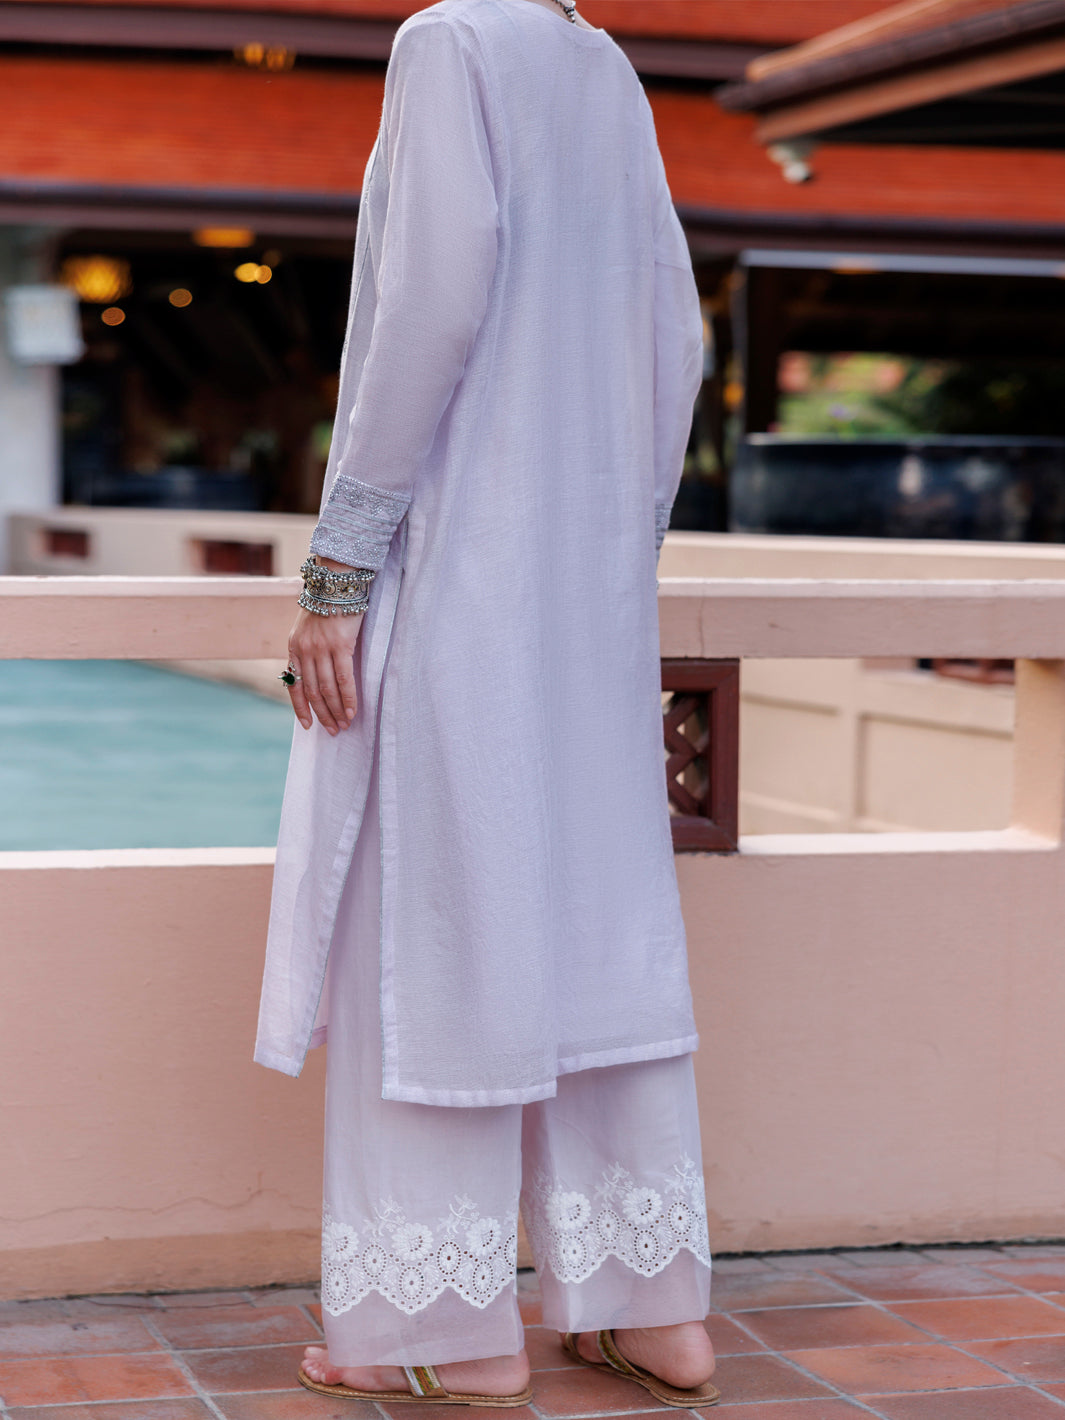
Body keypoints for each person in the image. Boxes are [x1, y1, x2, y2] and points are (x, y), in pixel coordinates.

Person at [255, 0, 717, 1405]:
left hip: (460, 578)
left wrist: (339, 568)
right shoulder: (601, 63)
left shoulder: (448, 39)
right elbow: (677, 331)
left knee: (434, 935)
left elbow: (432, 299)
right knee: (598, 936)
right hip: (589, 599)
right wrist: (616, 545)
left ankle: (447, 1332)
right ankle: (652, 1311)